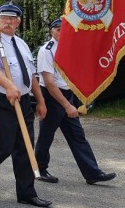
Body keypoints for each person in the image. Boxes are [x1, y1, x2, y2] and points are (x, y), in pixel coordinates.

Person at [0, 1, 52, 208]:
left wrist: (40, 100)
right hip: (1, 99)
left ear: (18, 22)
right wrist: (9, 86)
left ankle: (26, 193)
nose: (8, 22)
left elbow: (30, 75)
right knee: (4, 145)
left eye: (12, 19)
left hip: (22, 100)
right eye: (4, 18)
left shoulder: (21, 44)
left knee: (25, 145)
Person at [34, 18, 117, 185]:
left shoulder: (70, 48)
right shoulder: (47, 50)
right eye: (57, 29)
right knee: (46, 135)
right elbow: (49, 83)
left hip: (67, 93)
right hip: (51, 97)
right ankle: (39, 169)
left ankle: (92, 173)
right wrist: (67, 105)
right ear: (51, 31)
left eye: (63, 29)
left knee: (77, 135)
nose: (60, 32)